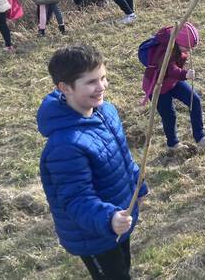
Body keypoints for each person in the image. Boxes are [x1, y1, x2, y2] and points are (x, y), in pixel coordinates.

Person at [37, 44, 148, 279]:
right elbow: (75, 198)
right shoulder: (65, 146)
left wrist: (138, 185)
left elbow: (122, 156)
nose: (102, 87)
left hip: (118, 217)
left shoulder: (105, 112)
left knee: (123, 266)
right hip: (92, 233)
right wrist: (108, 219)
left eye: (103, 77)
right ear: (65, 87)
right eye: (91, 82)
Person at [141, 23, 205, 150]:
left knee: (195, 100)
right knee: (169, 115)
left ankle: (200, 137)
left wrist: (182, 73)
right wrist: (185, 74)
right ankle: (173, 143)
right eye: (187, 47)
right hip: (157, 87)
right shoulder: (165, 50)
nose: (188, 50)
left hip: (173, 82)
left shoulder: (179, 47)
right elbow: (171, 69)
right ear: (177, 42)